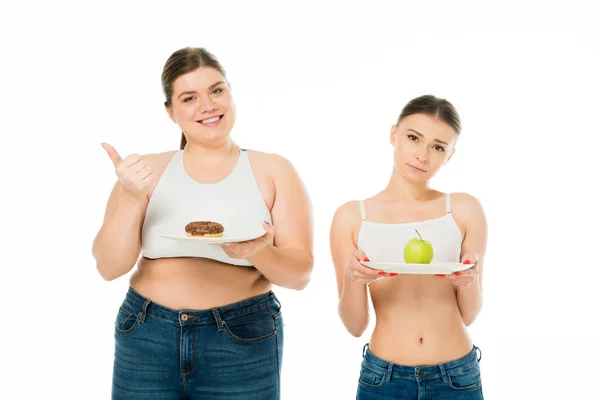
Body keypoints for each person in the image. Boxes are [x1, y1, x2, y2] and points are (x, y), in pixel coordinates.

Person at [92, 47, 314, 400]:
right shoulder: (145, 171)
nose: (208, 105)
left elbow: (299, 275)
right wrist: (133, 197)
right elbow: (108, 266)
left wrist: (258, 251)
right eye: (189, 97)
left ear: (230, 93)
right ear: (171, 111)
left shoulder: (273, 170)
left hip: (242, 338)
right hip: (147, 334)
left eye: (216, 90)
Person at [330, 94, 487, 399]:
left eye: (438, 146)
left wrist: (467, 281)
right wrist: (354, 279)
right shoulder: (351, 217)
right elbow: (355, 325)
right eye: (413, 138)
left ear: (450, 155)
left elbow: (469, 314)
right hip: (384, 379)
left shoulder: (464, 209)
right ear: (393, 135)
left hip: (456, 376)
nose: (422, 155)